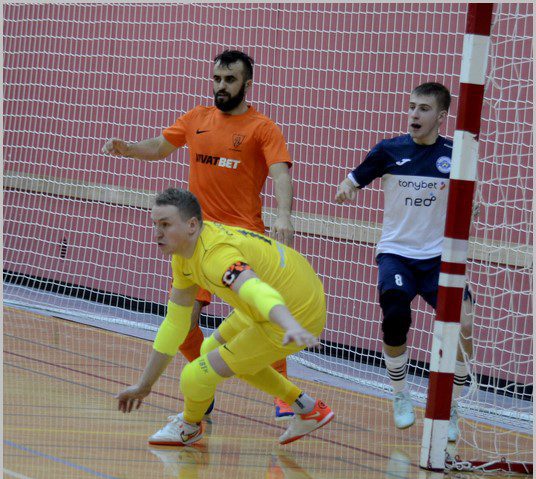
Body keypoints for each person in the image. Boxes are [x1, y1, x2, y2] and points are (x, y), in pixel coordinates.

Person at [103, 50, 296, 420]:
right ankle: (201, 387)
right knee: (184, 320)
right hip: (198, 240)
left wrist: (284, 214)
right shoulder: (196, 118)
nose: (221, 86)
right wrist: (129, 149)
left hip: (243, 240)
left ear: (247, 84)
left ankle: (286, 395)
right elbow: (159, 147)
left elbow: (280, 173)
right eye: (217, 79)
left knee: (264, 315)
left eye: (230, 80)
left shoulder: (263, 128)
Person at [115, 188, 334, 447]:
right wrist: (144, 384)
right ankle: (307, 408)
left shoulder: (216, 256)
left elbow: (254, 288)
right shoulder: (184, 253)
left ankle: (190, 426)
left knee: (194, 376)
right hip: (284, 293)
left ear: (192, 225)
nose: (157, 233)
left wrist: (288, 323)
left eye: (165, 224)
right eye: (155, 224)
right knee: (209, 350)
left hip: (293, 313)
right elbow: (175, 323)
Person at [335, 82, 473, 442]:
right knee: (395, 314)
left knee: (464, 322)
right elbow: (353, 179)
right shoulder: (389, 150)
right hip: (397, 253)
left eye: (423, 109)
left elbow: (468, 200)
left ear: (441, 116)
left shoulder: (455, 155)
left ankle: (451, 406)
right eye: (412, 106)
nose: (414, 114)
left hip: (439, 257)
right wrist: (347, 189)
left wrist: (472, 207)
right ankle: (400, 394)